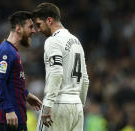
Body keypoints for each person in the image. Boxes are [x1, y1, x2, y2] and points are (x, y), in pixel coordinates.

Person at [33, 3, 89, 131]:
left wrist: (47, 105)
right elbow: (85, 79)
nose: (38, 30)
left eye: (39, 24)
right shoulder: (76, 41)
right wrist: (79, 104)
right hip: (77, 107)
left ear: (49, 20)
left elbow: (56, 72)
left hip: (58, 104)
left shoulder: (53, 41)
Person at [0, 11, 42, 131]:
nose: (34, 31)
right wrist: (9, 110)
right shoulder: (6, 51)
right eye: (30, 27)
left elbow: (11, 83)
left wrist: (26, 95)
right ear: (18, 28)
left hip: (14, 118)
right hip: (7, 119)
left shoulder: (11, 51)